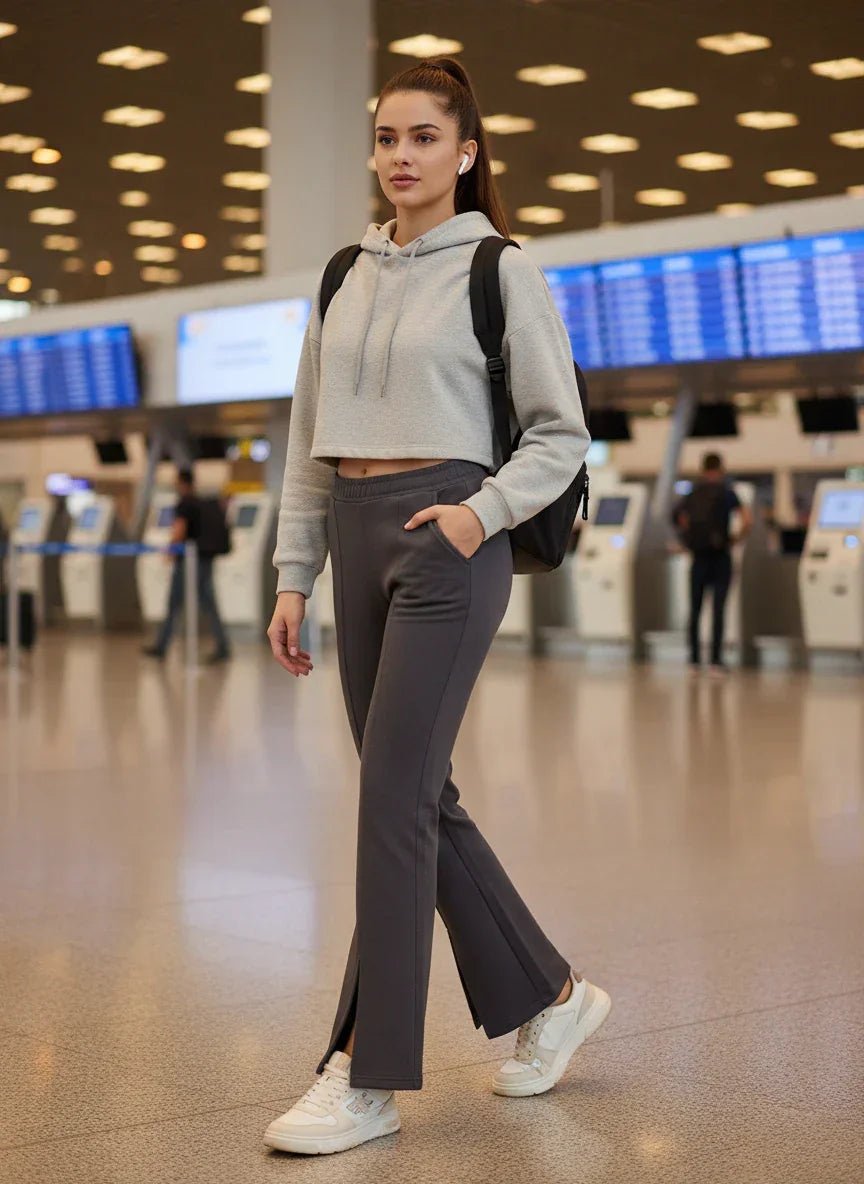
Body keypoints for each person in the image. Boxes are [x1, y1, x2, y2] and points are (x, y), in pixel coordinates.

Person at [263, 58, 611, 1158]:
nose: (402, 155)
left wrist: (479, 512)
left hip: (448, 541)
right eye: (387, 137)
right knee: (414, 794)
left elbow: (560, 434)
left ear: (465, 152)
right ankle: (552, 995)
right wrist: (294, 571)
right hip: (355, 532)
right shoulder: (343, 274)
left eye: (424, 137)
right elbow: (308, 440)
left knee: (391, 801)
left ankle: (364, 1075)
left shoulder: (501, 268)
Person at [142, 467, 231, 663]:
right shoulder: (201, 502)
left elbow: (179, 529)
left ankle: (161, 645)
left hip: (189, 561)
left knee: (174, 602)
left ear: (181, 482)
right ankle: (223, 645)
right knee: (208, 602)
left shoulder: (185, 503)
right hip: (205, 558)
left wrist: (170, 552)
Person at [675, 452, 752, 676]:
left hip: (698, 557)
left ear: (702, 469)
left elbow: (678, 517)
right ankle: (716, 661)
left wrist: (688, 539)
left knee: (695, 609)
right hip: (720, 557)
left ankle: (694, 660)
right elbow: (747, 520)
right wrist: (735, 540)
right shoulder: (727, 492)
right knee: (718, 609)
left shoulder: (692, 493)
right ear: (720, 469)